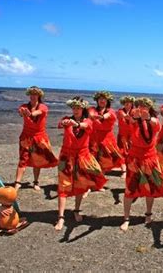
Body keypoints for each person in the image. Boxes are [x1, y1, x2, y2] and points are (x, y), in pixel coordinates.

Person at [119, 97, 163, 232]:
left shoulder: (154, 121)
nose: (142, 108)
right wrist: (136, 117)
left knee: (150, 188)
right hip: (134, 159)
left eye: (145, 106)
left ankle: (148, 214)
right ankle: (126, 218)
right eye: (140, 106)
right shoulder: (133, 119)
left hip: (150, 158)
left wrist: (147, 118)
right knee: (130, 188)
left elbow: (156, 124)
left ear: (149, 108)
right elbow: (129, 121)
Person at [54, 96, 107, 231]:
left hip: (82, 157)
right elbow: (60, 125)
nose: (76, 110)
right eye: (74, 108)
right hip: (66, 157)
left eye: (78, 108)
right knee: (63, 185)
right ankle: (60, 217)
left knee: (80, 185)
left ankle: (76, 210)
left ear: (82, 108)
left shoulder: (88, 121)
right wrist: (66, 122)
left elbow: (85, 126)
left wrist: (75, 124)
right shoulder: (67, 118)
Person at [14, 86, 58, 191]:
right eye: (31, 94)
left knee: (37, 160)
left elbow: (37, 113)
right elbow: (20, 111)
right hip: (26, 137)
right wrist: (22, 112)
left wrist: (30, 113)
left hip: (39, 137)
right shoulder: (24, 106)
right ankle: (17, 182)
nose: (33, 96)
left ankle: (36, 182)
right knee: (23, 159)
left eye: (35, 94)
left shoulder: (43, 107)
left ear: (39, 96)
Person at [88, 91, 124, 174]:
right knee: (93, 159)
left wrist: (101, 117)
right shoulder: (92, 109)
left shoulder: (111, 111)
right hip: (94, 137)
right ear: (97, 100)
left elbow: (109, 115)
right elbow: (91, 113)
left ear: (107, 101)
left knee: (104, 160)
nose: (102, 101)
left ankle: (99, 180)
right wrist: (94, 116)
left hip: (107, 139)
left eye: (104, 99)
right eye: (100, 99)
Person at [116, 96, 135, 178]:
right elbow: (125, 116)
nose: (127, 103)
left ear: (132, 103)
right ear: (123, 103)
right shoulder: (120, 111)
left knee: (132, 153)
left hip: (132, 136)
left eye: (129, 102)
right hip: (122, 135)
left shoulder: (134, 111)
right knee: (121, 153)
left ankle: (131, 170)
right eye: (125, 102)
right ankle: (124, 171)